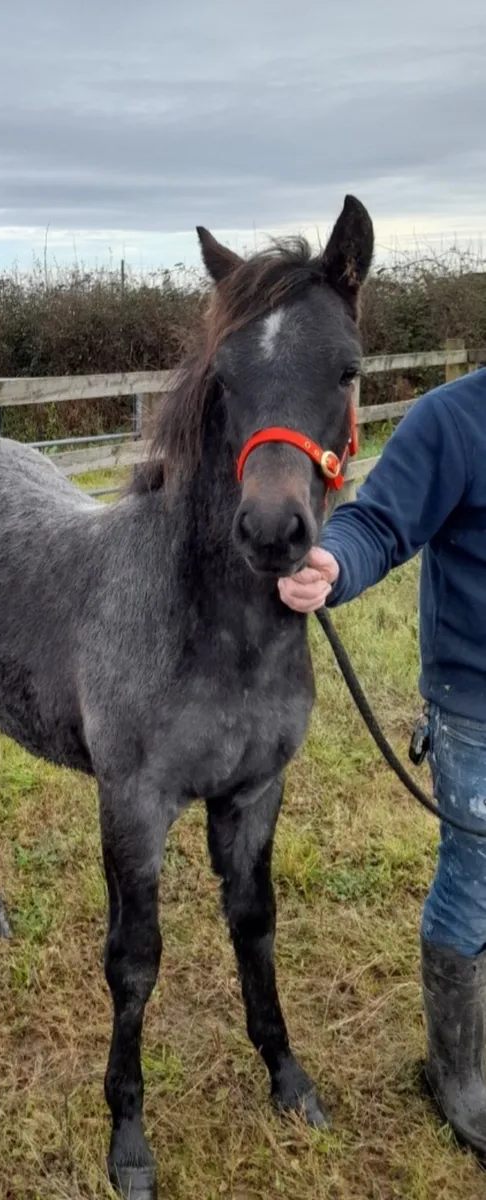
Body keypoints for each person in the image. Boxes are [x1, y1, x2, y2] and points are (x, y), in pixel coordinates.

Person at [278, 364, 486, 1154]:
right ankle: (458, 1076)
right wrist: (334, 562)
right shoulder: (452, 421)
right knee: (473, 882)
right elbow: (377, 522)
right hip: (476, 708)